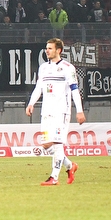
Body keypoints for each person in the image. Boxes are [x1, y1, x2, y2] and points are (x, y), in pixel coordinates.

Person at [25, 38, 86, 186]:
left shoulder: (67, 67)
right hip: (46, 112)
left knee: (58, 143)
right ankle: (70, 166)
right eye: (46, 48)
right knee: (47, 144)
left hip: (61, 111)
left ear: (58, 50)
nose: (47, 50)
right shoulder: (43, 68)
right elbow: (39, 87)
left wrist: (79, 110)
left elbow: (74, 90)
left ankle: (54, 177)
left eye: (50, 48)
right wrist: (31, 103)